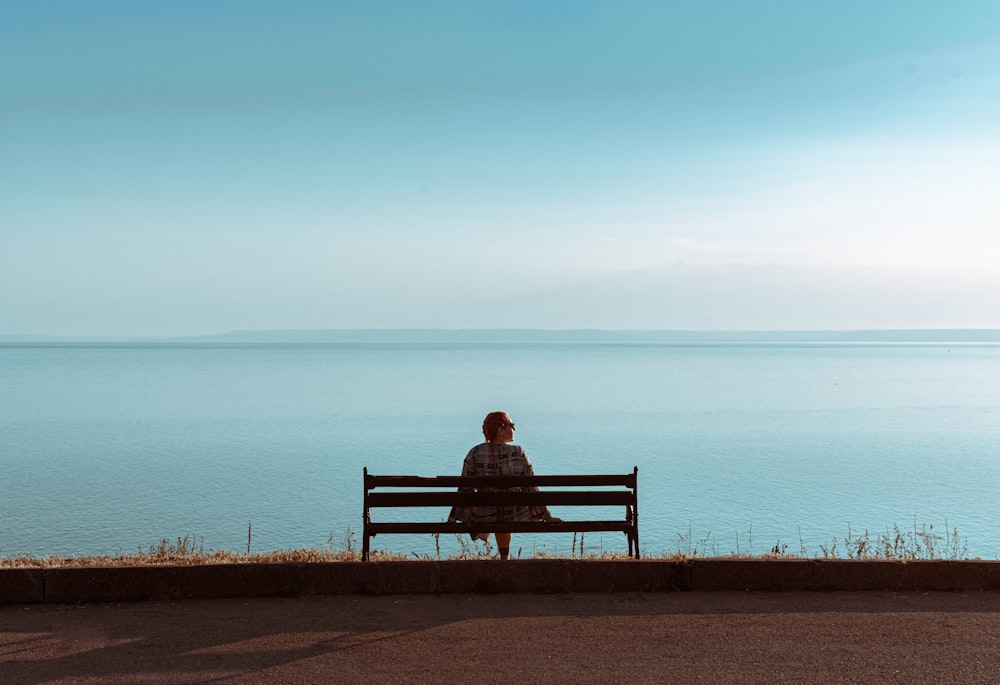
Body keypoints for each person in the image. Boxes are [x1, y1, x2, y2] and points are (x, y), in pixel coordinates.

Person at [447, 411, 557, 559]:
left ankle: (503, 557)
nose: (514, 429)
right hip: (514, 514)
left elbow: (464, 490)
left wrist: (453, 519)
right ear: (501, 430)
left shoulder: (474, 453)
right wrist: (547, 517)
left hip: (485, 514)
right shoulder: (518, 453)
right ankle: (504, 558)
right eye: (512, 425)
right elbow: (531, 489)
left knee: (494, 508)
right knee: (507, 507)